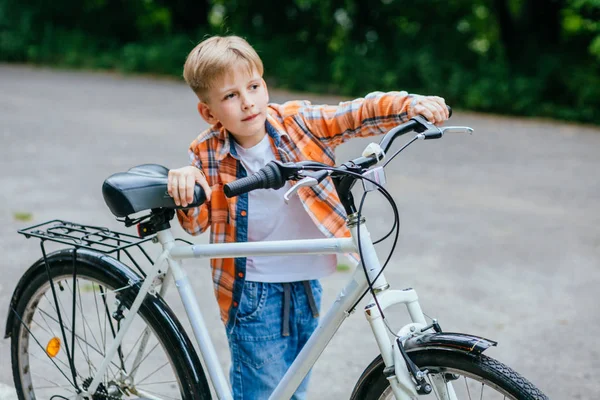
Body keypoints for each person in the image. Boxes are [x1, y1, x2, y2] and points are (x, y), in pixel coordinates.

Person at [168, 35, 449, 400]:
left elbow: (356, 114)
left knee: (294, 390)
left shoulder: (298, 122)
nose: (248, 101)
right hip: (253, 290)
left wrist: (409, 105)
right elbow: (195, 224)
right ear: (209, 112)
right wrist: (187, 185)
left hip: (306, 284)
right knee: (264, 393)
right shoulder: (207, 150)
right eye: (230, 96)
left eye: (253, 86)